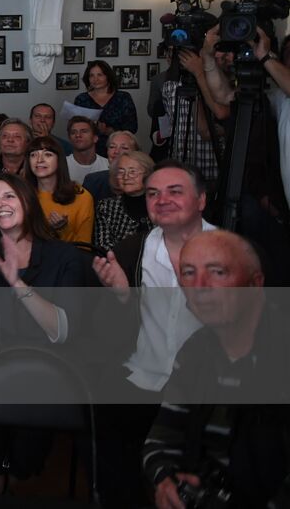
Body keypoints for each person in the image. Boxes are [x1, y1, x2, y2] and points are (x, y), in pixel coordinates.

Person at [91, 162, 217, 506]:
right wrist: (120, 298)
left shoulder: (232, 252)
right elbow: (105, 336)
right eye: (153, 193)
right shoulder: (132, 250)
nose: (162, 200)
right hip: (140, 381)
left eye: (175, 191)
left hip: (207, 393)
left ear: (201, 200)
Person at [0, 172, 88, 495]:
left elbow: (61, 331)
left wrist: (17, 283)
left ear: (27, 202)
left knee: (25, 462)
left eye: (8, 196)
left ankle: (9, 481)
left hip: (44, 373)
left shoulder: (64, 256)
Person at [142, 230, 289, 509]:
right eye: (188, 273)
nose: (200, 286)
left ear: (255, 284)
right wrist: (166, 481)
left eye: (218, 272)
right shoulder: (195, 350)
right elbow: (162, 437)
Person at [94, 148, 154, 254]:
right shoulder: (106, 207)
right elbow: (103, 247)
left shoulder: (161, 205)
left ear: (148, 174)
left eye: (132, 172)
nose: (126, 177)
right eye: (121, 172)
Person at [74, 58, 138, 152]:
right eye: (91, 75)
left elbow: (132, 128)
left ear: (108, 77)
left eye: (100, 75)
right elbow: (76, 126)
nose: (95, 79)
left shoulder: (123, 97)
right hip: (89, 150)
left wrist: (108, 131)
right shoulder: (81, 99)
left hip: (118, 149)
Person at [65, 116, 108, 183]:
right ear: (69, 139)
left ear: (95, 138)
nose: (78, 135)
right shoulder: (61, 165)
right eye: (73, 132)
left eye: (84, 131)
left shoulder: (108, 166)